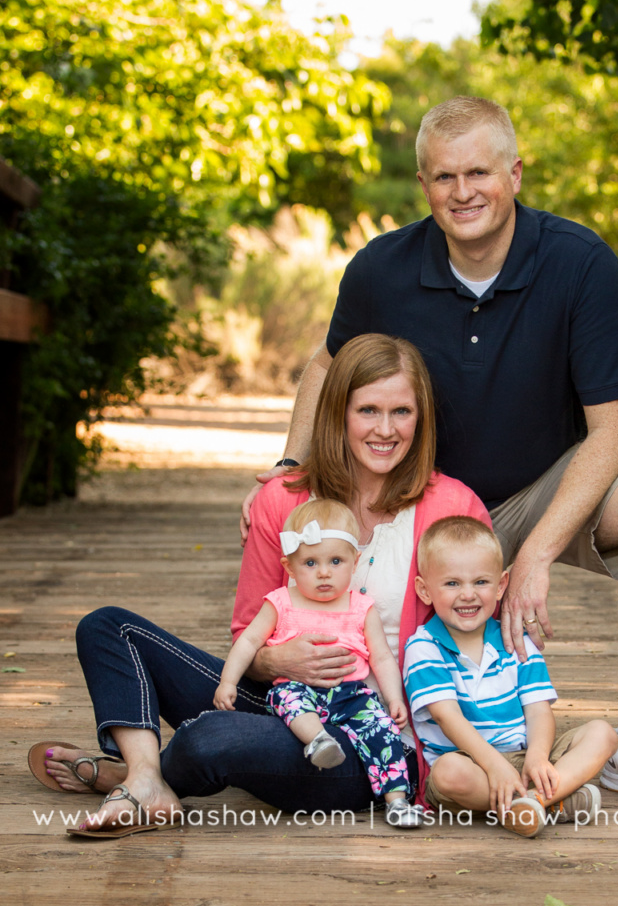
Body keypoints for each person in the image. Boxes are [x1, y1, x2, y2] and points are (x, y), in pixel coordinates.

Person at [240, 96, 618, 809]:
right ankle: (426, 738)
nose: (463, 193)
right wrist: (284, 472)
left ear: (515, 174)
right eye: (444, 178)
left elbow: (613, 429)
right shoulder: (380, 270)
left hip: (543, 489)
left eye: (479, 173)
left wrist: (539, 554)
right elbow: (326, 368)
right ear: (423, 185)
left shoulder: (581, 264)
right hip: (423, 505)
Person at [29, 334, 490, 835]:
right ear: (337, 412)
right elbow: (247, 630)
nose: (385, 429)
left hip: (371, 738)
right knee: (106, 628)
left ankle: (143, 775)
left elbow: (477, 640)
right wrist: (277, 659)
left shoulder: (454, 507)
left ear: (420, 418)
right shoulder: (282, 500)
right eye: (368, 411)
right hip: (283, 701)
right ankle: (144, 777)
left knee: (209, 740)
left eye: (401, 411)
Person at [213, 498, 424, 827]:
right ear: (289, 567)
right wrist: (228, 682)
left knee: (382, 731)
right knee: (287, 698)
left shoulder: (361, 607)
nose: (324, 572)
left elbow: (381, 655)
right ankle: (318, 740)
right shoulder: (280, 602)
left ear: (355, 562)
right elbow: (250, 640)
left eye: (336, 561)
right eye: (310, 563)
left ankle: (396, 800)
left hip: (352, 694)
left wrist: (394, 698)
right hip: (299, 688)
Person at [403, 516, 618, 837]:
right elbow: (447, 718)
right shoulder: (423, 647)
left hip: (525, 755)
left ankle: (528, 802)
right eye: (452, 583)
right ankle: (552, 802)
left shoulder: (514, 639)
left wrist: (538, 756)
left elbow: (538, 709)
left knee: (603, 733)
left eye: (481, 582)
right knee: (448, 774)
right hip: (471, 764)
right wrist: (493, 765)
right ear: (425, 590)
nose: (467, 594)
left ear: (501, 585)